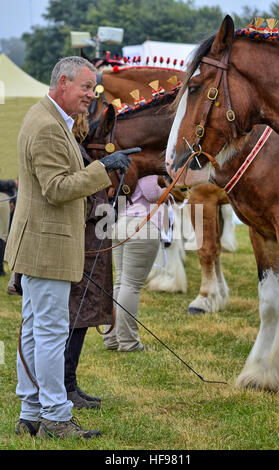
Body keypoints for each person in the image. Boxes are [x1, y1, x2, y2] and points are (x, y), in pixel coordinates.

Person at [4, 56, 140, 439]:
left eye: (92, 88)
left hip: (41, 244)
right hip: (46, 247)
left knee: (34, 331)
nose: (90, 96)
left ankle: (31, 413)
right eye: (85, 87)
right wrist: (102, 169)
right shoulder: (46, 125)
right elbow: (57, 188)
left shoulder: (49, 117)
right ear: (62, 82)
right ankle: (56, 418)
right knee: (49, 333)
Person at [64, 114, 114, 410]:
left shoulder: (80, 146)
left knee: (81, 315)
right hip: (81, 242)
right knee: (74, 314)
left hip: (94, 240)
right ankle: (64, 385)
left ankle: (69, 383)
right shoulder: (71, 147)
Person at [103, 175, 169, 352]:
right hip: (142, 226)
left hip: (122, 223)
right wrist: (169, 189)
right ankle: (128, 342)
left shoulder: (125, 170)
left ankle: (112, 339)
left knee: (121, 283)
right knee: (130, 285)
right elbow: (151, 193)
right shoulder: (147, 169)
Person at [0, 180, 17, 276]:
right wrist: (12, 183)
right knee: (2, 235)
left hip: (5, 199)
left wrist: (11, 201)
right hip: (2, 198)